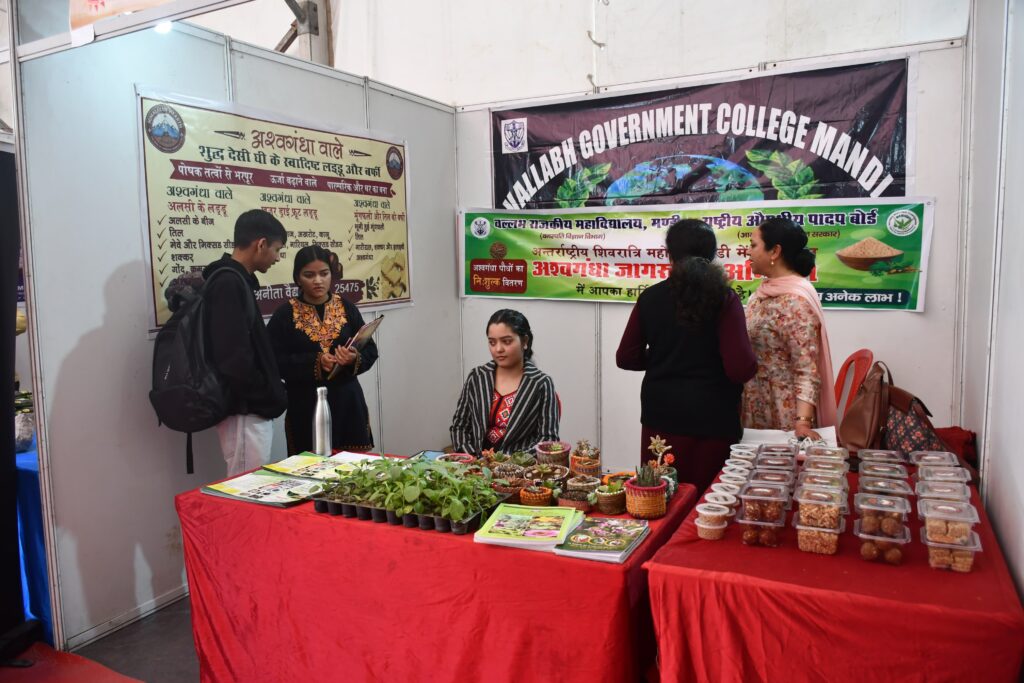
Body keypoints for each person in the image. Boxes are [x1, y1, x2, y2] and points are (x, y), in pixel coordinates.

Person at [616, 219, 757, 492]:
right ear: (713, 256)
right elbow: (740, 368)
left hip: (662, 417)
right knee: (709, 501)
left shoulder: (650, 298)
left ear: (669, 255)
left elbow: (626, 357)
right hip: (714, 418)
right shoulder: (725, 299)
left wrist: (662, 357)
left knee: (662, 496)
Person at [202, 209, 289, 476]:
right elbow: (233, 359)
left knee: (253, 485)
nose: (277, 258)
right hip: (244, 410)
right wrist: (266, 394)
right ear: (261, 244)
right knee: (246, 488)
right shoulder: (228, 283)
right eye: (277, 250)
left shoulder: (237, 280)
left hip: (250, 408)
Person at [268, 245, 378, 454]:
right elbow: (273, 362)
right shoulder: (285, 315)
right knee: (310, 467)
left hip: (348, 404)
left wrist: (353, 357)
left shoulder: (346, 307)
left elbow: (370, 350)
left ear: (331, 275)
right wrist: (315, 362)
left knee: (353, 467)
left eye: (324, 273)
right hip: (305, 406)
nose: (318, 281)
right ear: (298, 278)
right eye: (309, 275)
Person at [742, 216, 838, 439]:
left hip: (784, 415)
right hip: (756, 405)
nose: (748, 252)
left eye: (753, 245)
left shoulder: (796, 301)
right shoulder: (762, 293)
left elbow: (806, 369)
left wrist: (803, 423)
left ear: (774, 251)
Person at [450, 309, 559, 456]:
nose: (498, 349)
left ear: (525, 341)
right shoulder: (477, 377)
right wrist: (474, 459)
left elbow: (548, 439)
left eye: (506, 341)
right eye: (492, 342)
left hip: (519, 466)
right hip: (475, 464)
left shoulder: (540, 383)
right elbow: (460, 427)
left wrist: (511, 463)